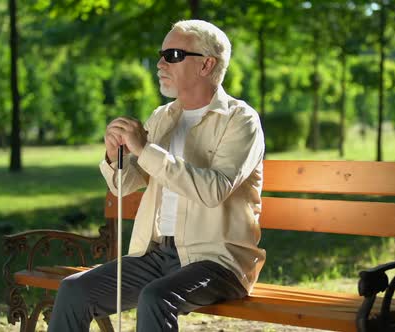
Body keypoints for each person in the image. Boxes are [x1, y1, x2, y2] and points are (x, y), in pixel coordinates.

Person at [48, 19, 266, 332]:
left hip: (218, 260)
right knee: (73, 290)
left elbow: (214, 190)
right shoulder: (162, 117)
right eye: (161, 54)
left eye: (174, 55)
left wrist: (145, 149)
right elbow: (124, 187)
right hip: (157, 255)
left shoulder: (240, 120)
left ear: (206, 64)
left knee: (156, 297)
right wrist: (115, 156)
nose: (161, 63)